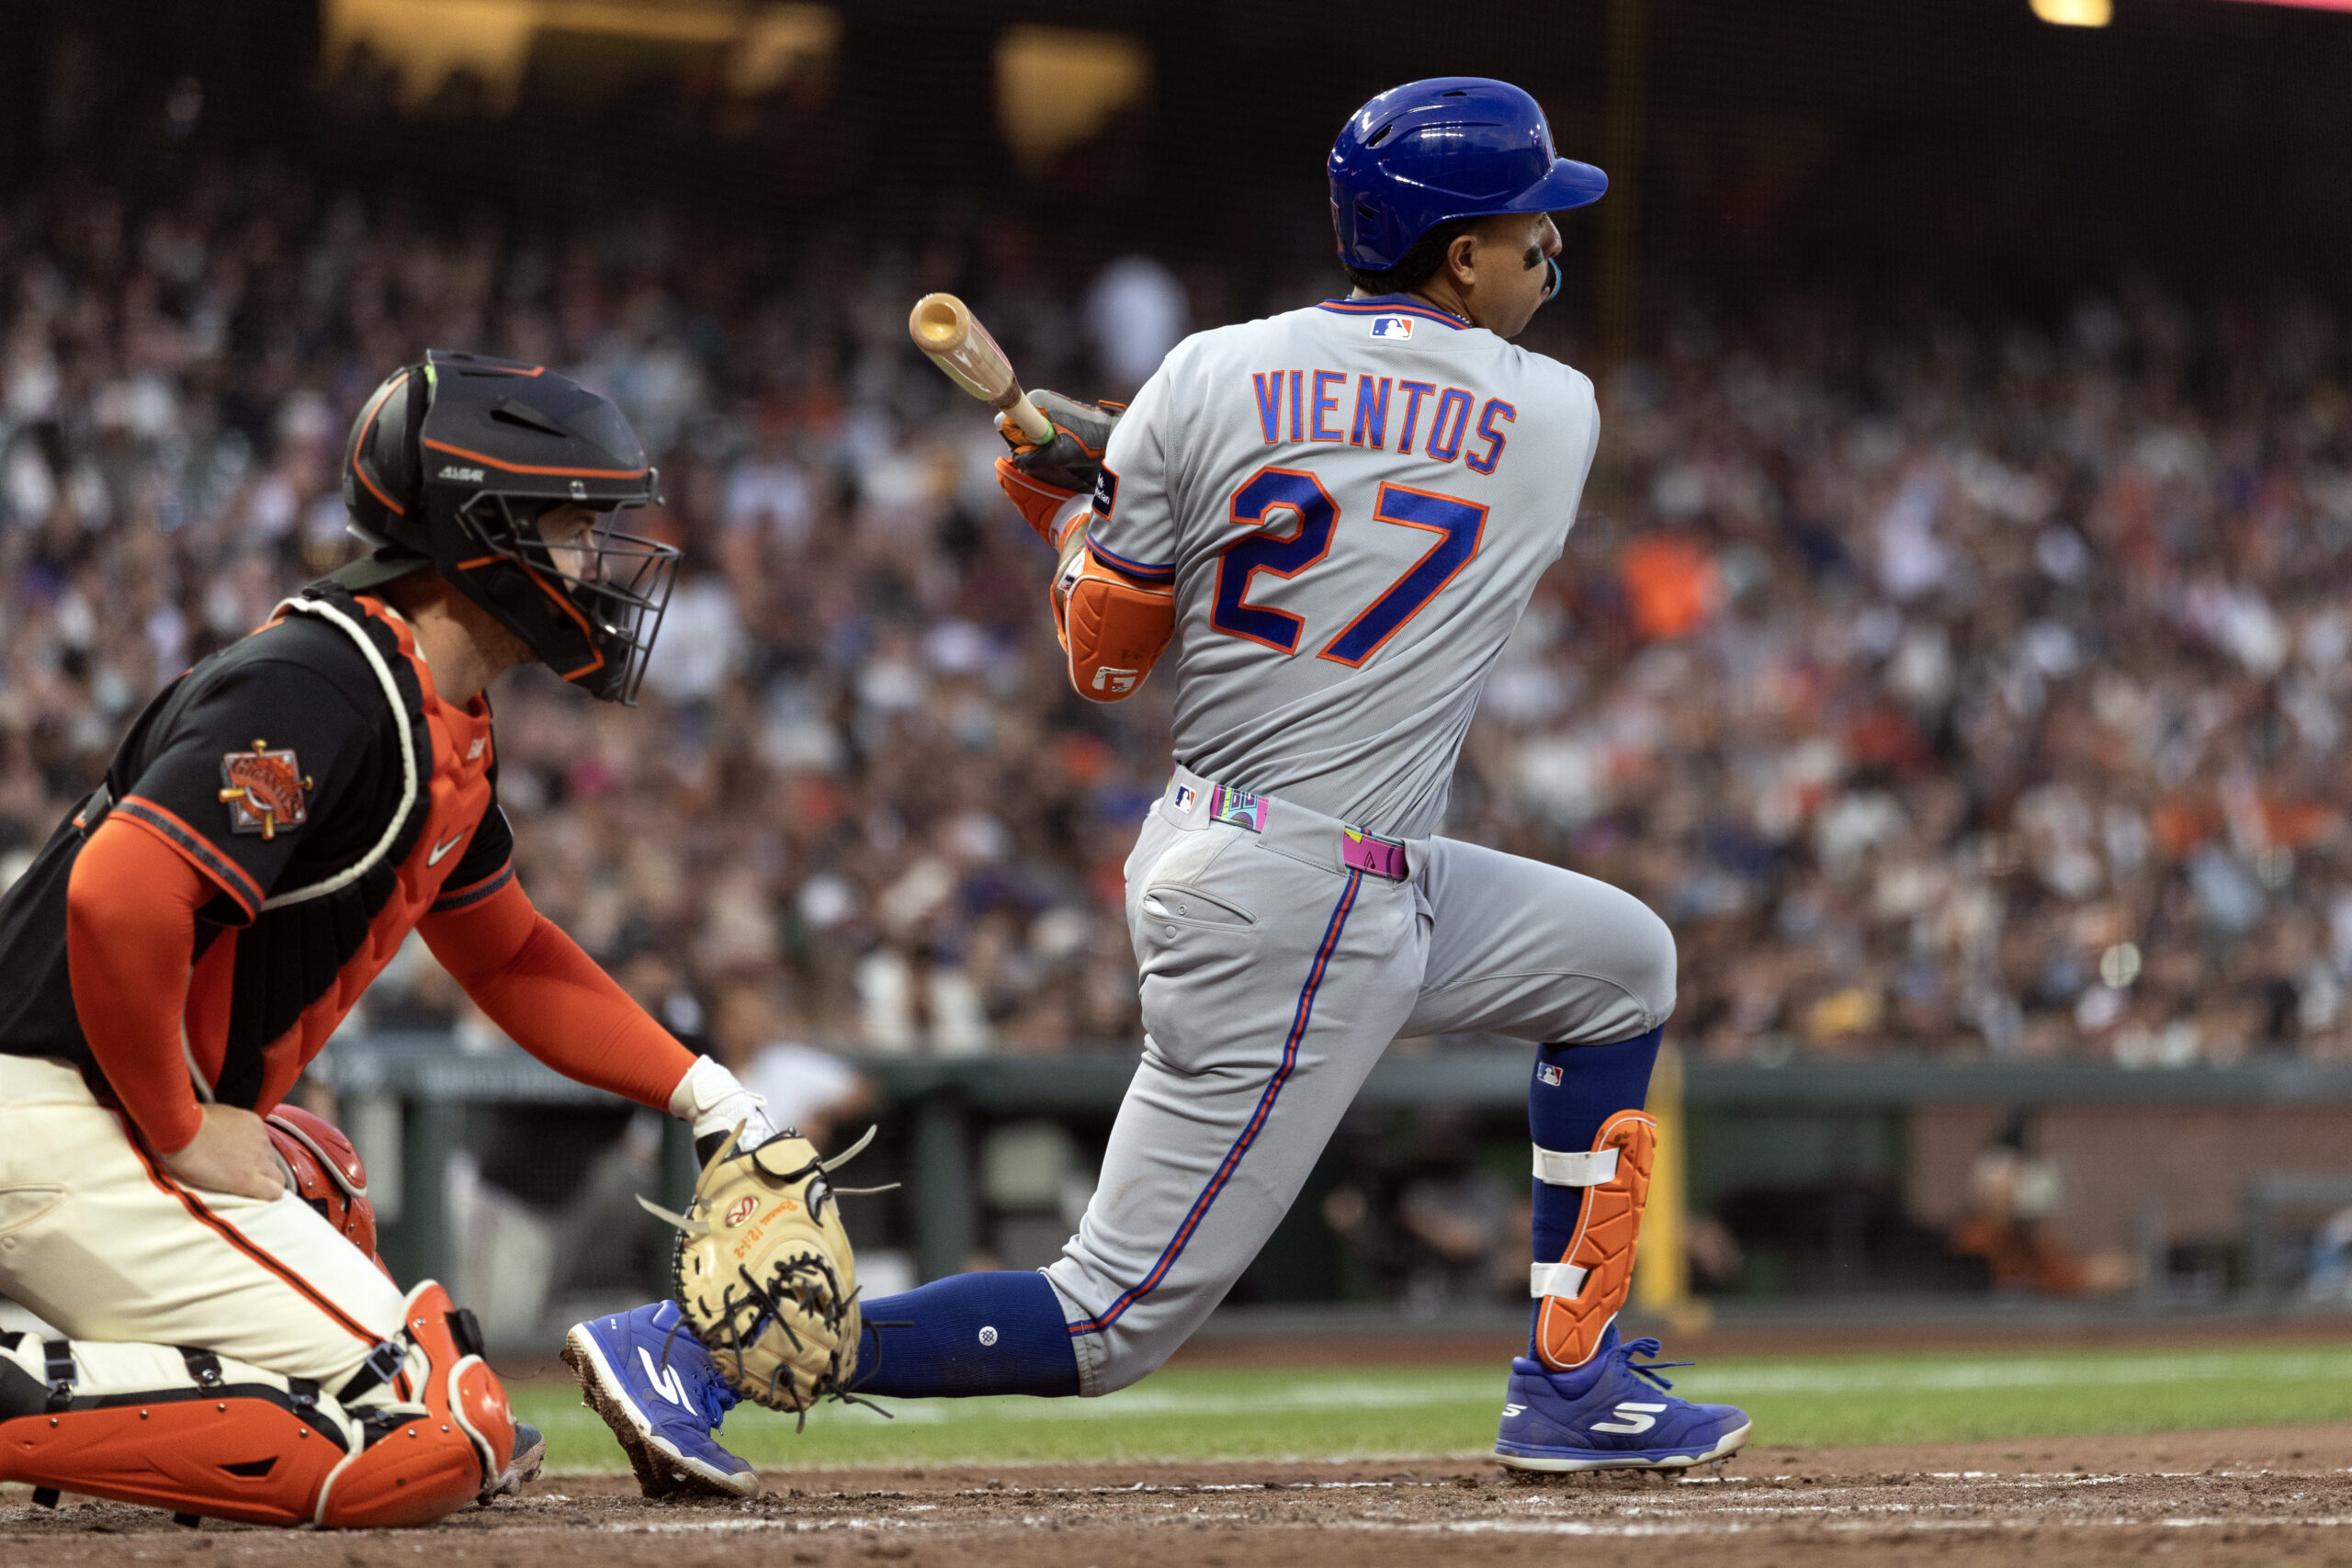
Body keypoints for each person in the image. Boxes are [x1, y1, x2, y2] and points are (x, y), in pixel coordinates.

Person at [569, 76, 1747, 1489]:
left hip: (1282, 855)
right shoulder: (1556, 410)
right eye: (1528, 226)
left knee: (1621, 962)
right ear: (1458, 254)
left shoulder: (1206, 372)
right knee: (1108, 1315)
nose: (1551, 246)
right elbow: (1368, 458)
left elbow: (1108, 652)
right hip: (1300, 899)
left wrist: (1080, 514)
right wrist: (1107, 473)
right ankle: (697, 1348)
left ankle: (1573, 1377)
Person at [0, 351, 787, 1527]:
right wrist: (177, 1124)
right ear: (483, 531)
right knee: (433, 1428)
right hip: (57, 1117)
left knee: (322, 1174)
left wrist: (711, 1098)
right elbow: (118, 894)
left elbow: (510, 956)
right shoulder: (326, 679)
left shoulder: (426, 702)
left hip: (77, 1118)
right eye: (577, 527)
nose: (602, 563)